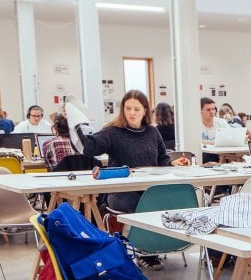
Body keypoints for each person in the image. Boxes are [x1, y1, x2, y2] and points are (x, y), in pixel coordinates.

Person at [78, 91, 190, 266]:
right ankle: (144, 252)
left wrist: (173, 164)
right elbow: (89, 147)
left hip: (149, 189)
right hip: (121, 192)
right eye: (128, 108)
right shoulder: (113, 132)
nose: (132, 113)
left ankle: (152, 247)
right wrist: (76, 128)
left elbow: (162, 160)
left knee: (162, 200)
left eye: (136, 109)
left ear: (145, 110)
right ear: (123, 109)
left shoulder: (152, 132)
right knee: (144, 204)